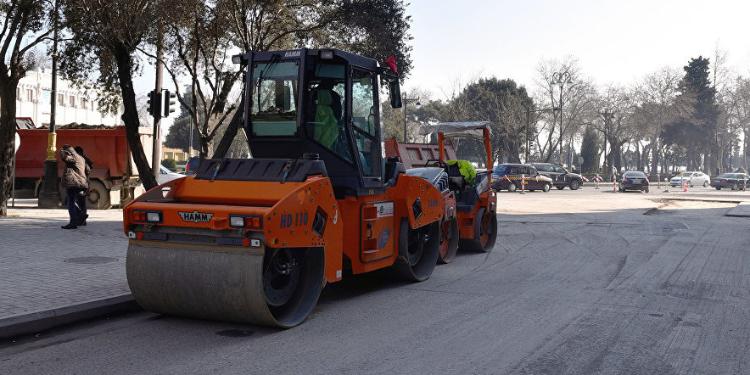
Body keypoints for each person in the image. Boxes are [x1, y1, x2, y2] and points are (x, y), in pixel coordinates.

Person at [60, 145, 88, 229]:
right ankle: (81, 215)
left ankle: (73, 222)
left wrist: (61, 152)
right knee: (70, 201)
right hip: (81, 183)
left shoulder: (73, 157)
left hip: (74, 183)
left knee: (70, 202)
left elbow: (64, 158)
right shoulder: (81, 158)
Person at [74, 146, 92, 226]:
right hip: (84, 183)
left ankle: (81, 217)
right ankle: (82, 220)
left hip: (80, 183)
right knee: (82, 202)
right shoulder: (85, 159)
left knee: (75, 201)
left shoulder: (80, 160)